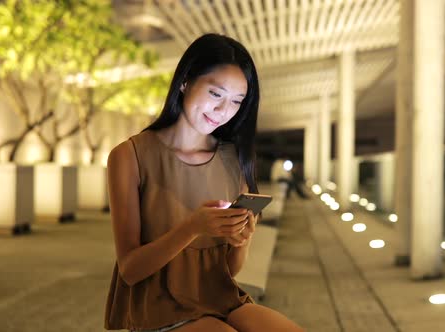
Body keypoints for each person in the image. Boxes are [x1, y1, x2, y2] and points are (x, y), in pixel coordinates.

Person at [105, 34, 303, 332]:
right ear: (185, 80)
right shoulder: (130, 156)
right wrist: (193, 226)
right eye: (215, 94)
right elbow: (130, 270)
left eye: (237, 101)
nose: (225, 110)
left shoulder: (232, 159)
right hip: (158, 306)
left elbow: (229, 271)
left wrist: (241, 238)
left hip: (221, 298)